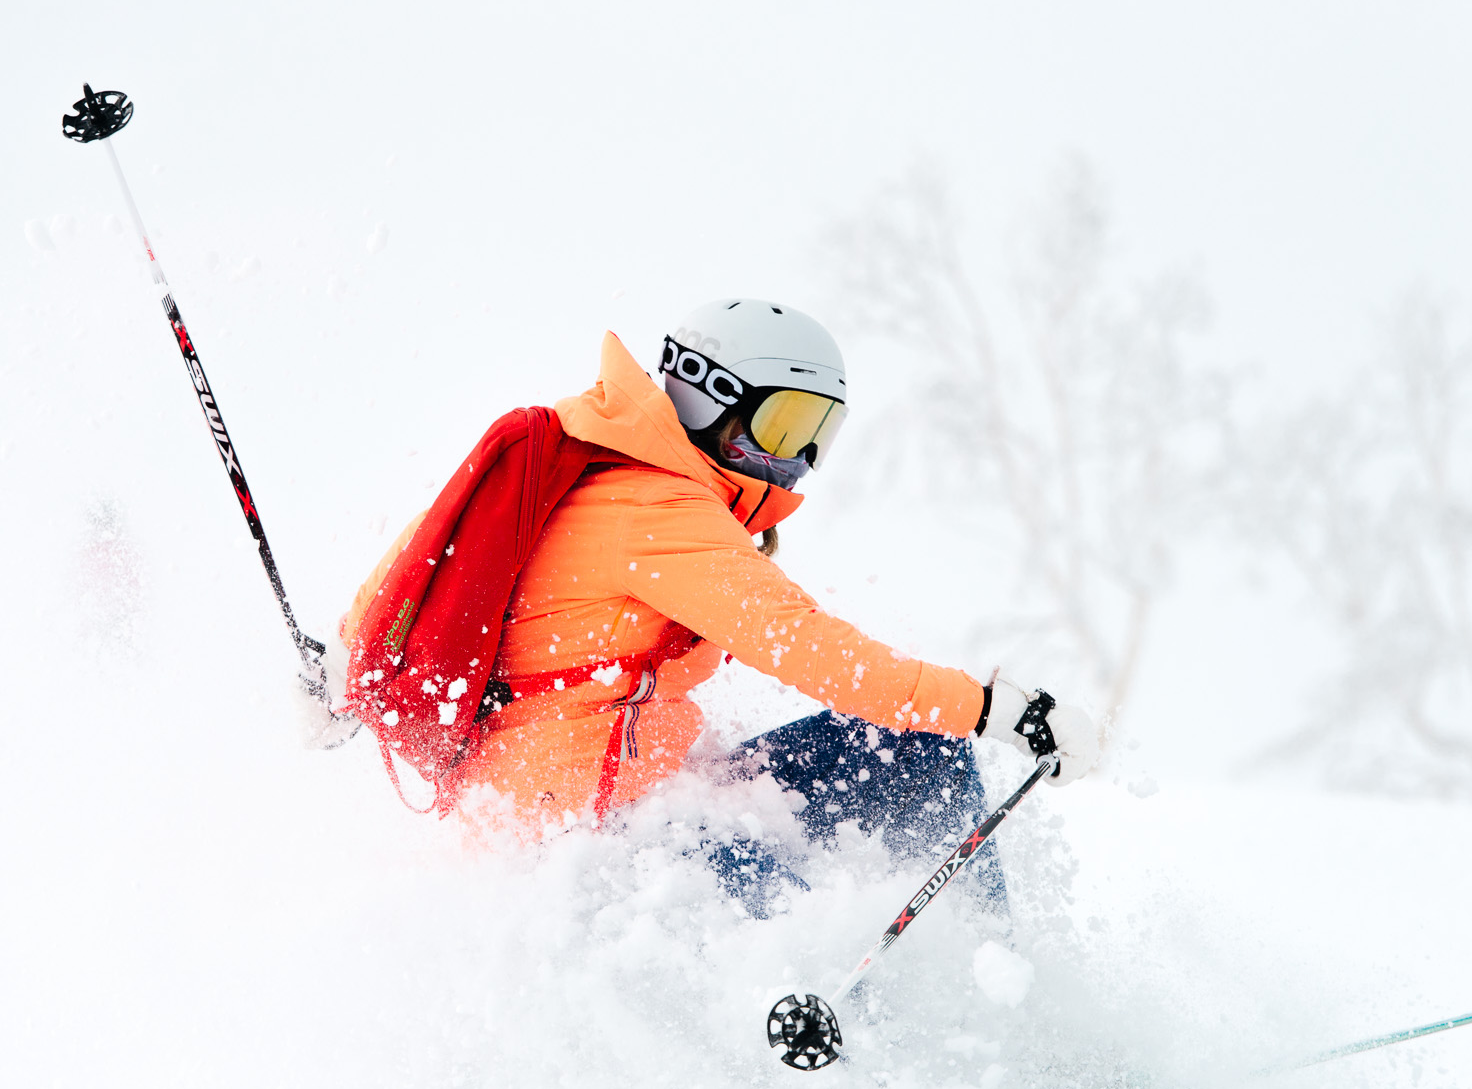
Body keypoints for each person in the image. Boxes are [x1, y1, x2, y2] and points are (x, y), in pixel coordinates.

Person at [334, 299, 1098, 913]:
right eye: (784, 423)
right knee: (781, 883)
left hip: (658, 800)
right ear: (709, 398)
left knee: (917, 752)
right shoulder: (656, 507)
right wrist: (996, 709)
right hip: (585, 847)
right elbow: (813, 649)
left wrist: (335, 673)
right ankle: (890, 1029)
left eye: (816, 436)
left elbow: (389, 589)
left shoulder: (587, 469)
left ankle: (981, 979)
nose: (796, 461)